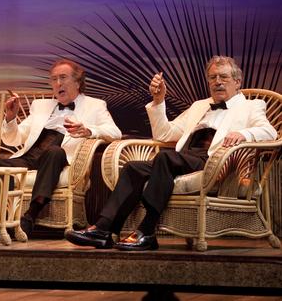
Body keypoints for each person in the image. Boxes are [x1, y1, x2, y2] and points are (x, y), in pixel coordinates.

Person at [66, 56, 277, 251]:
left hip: (213, 161)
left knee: (165, 158)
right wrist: (159, 101)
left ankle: (147, 230)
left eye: (223, 77)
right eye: (212, 77)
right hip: (181, 158)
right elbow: (165, 133)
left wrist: (243, 133)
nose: (217, 82)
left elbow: (270, 132)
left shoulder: (251, 106)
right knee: (134, 168)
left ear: (237, 81)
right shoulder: (199, 106)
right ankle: (105, 230)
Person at [0, 58, 122, 241]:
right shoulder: (40, 106)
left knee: (54, 152)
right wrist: (10, 118)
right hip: (32, 156)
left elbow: (115, 133)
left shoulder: (95, 105)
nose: (57, 84)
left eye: (63, 78)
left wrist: (88, 130)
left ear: (78, 82)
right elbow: (13, 138)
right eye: (54, 79)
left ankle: (30, 217)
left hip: (59, 157)